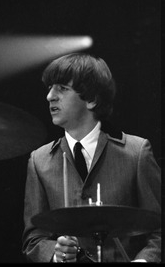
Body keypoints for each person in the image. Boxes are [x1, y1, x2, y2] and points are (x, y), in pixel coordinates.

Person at [22, 53, 161, 263]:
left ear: (92, 99)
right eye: (49, 88)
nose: (50, 96)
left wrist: (142, 261)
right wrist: (55, 253)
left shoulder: (137, 152)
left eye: (61, 88)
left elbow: (159, 230)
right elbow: (33, 239)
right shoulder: (39, 160)